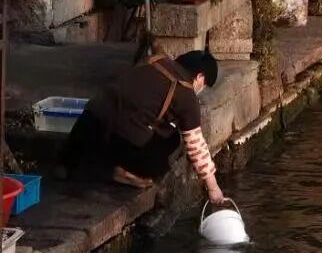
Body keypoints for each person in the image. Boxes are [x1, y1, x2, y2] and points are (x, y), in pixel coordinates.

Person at [63, 48, 225, 202]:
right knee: (171, 142)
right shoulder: (186, 94)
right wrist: (213, 188)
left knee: (114, 120)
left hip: (86, 123)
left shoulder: (154, 61)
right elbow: (196, 146)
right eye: (204, 85)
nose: (201, 89)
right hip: (119, 138)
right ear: (200, 76)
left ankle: (65, 163)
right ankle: (120, 172)